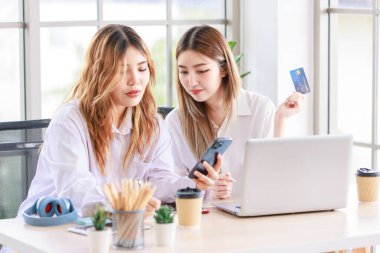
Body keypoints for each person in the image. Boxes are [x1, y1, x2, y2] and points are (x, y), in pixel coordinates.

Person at [17, 24, 220, 218]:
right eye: (122, 71)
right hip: (46, 229)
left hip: (110, 228)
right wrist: (125, 202)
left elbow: (158, 180)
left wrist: (192, 184)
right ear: (100, 73)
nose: (135, 80)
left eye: (142, 69)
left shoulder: (153, 124)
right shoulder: (69, 121)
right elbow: (75, 190)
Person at [165, 25, 303, 200]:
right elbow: (170, 184)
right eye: (183, 71)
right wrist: (205, 190)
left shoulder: (260, 109)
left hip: (254, 218)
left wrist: (280, 120)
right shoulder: (175, 121)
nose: (191, 81)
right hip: (203, 220)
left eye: (202, 71)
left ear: (223, 69)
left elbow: (277, 178)